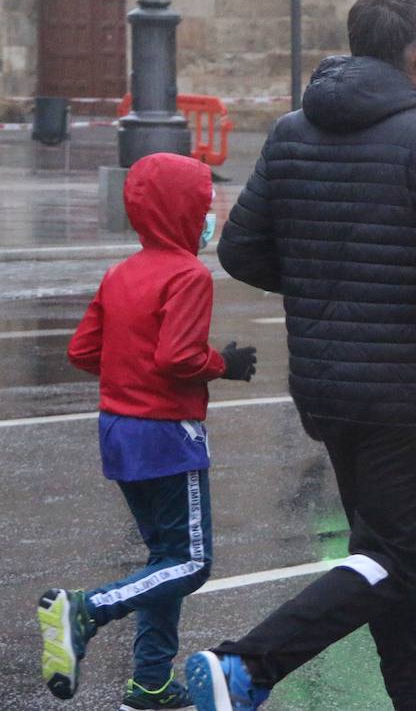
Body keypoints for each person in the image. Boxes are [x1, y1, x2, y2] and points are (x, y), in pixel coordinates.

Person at [185, 0, 416, 711]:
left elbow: (242, 251)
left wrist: (328, 283)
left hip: (326, 383)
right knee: (390, 555)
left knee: (377, 557)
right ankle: (246, 664)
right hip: (407, 392)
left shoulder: (294, 130)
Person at [37, 153, 257, 710]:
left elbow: (83, 350)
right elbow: (180, 356)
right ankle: (86, 609)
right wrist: (222, 365)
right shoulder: (188, 274)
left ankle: (151, 682)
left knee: (165, 558)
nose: (209, 216)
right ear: (182, 212)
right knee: (190, 563)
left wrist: (129, 376)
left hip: (117, 430)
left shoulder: (121, 272)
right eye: (204, 207)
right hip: (166, 435)